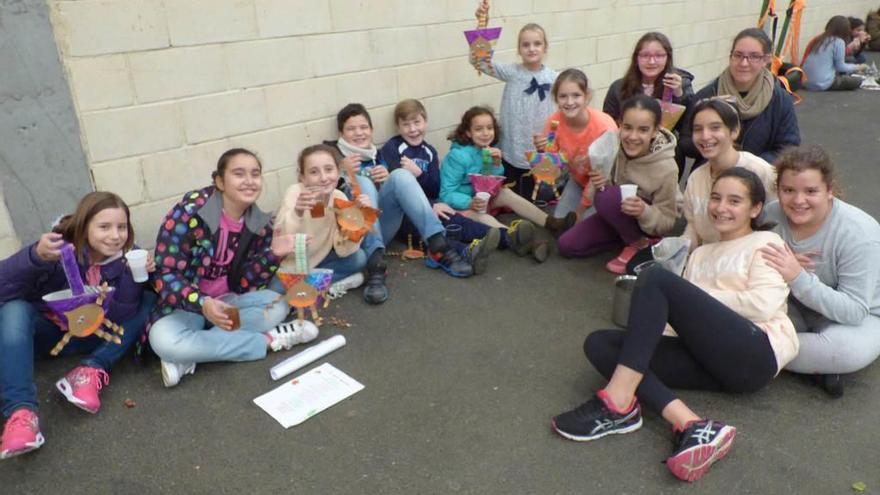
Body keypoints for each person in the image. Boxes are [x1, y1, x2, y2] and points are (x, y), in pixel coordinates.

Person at [553, 168, 796, 482]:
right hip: (710, 360)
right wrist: (645, 338)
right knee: (601, 344)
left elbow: (763, 303)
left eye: (735, 201)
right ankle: (693, 425)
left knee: (655, 278)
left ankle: (616, 402)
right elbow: (681, 319)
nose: (722, 207)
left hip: (755, 352)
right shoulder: (700, 254)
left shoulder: (766, 241)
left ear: (755, 209)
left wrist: (689, 297)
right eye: (716, 198)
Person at [0, 192, 156, 459]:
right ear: (84, 225)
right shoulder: (57, 250)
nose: (115, 235)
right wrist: (34, 257)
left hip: (94, 334)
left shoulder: (126, 258)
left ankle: (89, 371)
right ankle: (21, 413)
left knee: (149, 298)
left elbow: (120, 316)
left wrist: (133, 278)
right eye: (104, 227)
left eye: (122, 227)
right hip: (49, 333)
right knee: (14, 308)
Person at [148, 148, 304, 388]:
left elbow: (246, 284)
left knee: (277, 304)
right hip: (188, 307)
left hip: (228, 304)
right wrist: (203, 304)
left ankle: (190, 356)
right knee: (162, 340)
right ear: (220, 181)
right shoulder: (189, 213)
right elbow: (165, 275)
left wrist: (273, 255)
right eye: (239, 174)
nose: (249, 181)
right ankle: (267, 340)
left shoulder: (259, 223)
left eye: (255, 174)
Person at [760, 146, 880, 398]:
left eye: (811, 191)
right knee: (745, 312)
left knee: (844, 351)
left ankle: (756, 351)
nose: (798, 200)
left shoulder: (859, 234)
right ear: (778, 190)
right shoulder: (770, 215)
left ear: (829, 190)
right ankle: (813, 368)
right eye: (788, 190)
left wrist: (797, 277)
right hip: (794, 304)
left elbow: (855, 310)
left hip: (862, 316)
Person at [327, 103, 473, 302]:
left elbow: (393, 197)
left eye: (363, 127)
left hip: (381, 231)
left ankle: (438, 246)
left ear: (371, 130)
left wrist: (386, 178)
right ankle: (375, 266)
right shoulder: (331, 156)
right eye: (351, 129)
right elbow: (320, 204)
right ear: (341, 133)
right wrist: (340, 171)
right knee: (362, 182)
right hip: (351, 238)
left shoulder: (379, 155)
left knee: (401, 175)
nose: (359, 133)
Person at [557, 95, 680, 274]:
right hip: (616, 216)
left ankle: (640, 243)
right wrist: (600, 181)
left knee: (607, 196)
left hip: (647, 226)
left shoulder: (667, 168)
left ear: (655, 131)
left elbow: (668, 222)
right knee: (566, 245)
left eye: (643, 130)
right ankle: (626, 238)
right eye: (627, 127)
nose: (633, 136)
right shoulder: (611, 146)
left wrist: (644, 211)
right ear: (620, 124)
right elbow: (603, 188)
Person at [440, 106, 576, 262]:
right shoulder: (457, 156)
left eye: (489, 128)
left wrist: (497, 164)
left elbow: (490, 182)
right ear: (468, 133)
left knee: (505, 192)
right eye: (478, 129)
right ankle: (523, 242)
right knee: (482, 217)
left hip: (481, 199)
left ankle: (552, 223)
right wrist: (470, 202)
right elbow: (445, 194)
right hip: (463, 207)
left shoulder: (489, 150)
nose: (485, 133)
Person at [379, 99, 500, 275]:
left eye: (417, 122)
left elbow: (435, 188)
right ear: (398, 128)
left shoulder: (430, 151)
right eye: (406, 125)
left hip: (428, 204)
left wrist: (420, 174)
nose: (413, 129)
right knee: (430, 227)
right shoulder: (392, 148)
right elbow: (397, 189)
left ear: (425, 122)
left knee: (452, 218)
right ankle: (464, 252)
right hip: (402, 215)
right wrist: (430, 204)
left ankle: (505, 236)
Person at [469, 0, 557, 198]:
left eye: (537, 44)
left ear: (545, 48)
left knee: (538, 196)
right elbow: (479, 61)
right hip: (511, 148)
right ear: (519, 49)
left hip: (539, 150)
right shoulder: (511, 72)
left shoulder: (554, 78)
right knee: (511, 195)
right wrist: (481, 24)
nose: (531, 48)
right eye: (526, 44)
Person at [680, 28, 800, 169]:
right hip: (713, 174)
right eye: (738, 55)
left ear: (766, 60)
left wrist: (745, 165)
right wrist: (709, 142)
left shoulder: (781, 100)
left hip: (759, 178)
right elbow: (686, 142)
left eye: (754, 56)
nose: (744, 63)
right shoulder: (708, 96)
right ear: (730, 57)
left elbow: (788, 148)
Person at [270, 144, 373, 299]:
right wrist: (297, 212)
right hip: (292, 266)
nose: (324, 178)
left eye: (329, 169)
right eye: (313, 172)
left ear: (338, 172)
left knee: (359, 258)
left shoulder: (339, 197)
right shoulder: (295, 193)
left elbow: (344, 250)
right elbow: (281, 236)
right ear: (303, 177)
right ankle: (321, 287)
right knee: (274, 292)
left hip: (321, 262)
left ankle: (309, 290)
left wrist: (356, 221)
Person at [682, 97, 776, 251]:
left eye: (715, 128)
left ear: (734, 131)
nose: (705, 136)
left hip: (751, 260)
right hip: (707, 261)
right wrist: (679, 248)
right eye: (698, 129)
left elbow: (782, 220)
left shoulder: (760, 171)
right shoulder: (696, 178)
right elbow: (693, 227)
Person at [532, 68, 618, 219]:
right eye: (563, 96)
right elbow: (552, 174)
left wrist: (580, 211)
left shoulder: (604, 127)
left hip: (605, 186)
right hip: (578, 181)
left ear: (587, 96)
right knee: (560, 221)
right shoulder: (554, 123)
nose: (570, 102)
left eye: (576, 95)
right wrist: (542, 155)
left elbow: (598, 178)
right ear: (556, 98)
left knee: (582, 227)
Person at [602, 32, 694, 122]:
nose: (651, 62)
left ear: (668, 58)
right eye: (645, 55)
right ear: (636, 58)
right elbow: (608, 125)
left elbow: (688, 125)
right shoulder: (618, 87)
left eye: (659, 55)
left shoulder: (682, 84)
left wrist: (679, 95)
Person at [803, 16, 867, 91]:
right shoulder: (838, 41)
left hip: (806, 82)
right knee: (857, 81)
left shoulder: (819, 39)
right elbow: (840, 66)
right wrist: (858, 67)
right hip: (823, 83)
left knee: (849, 61)